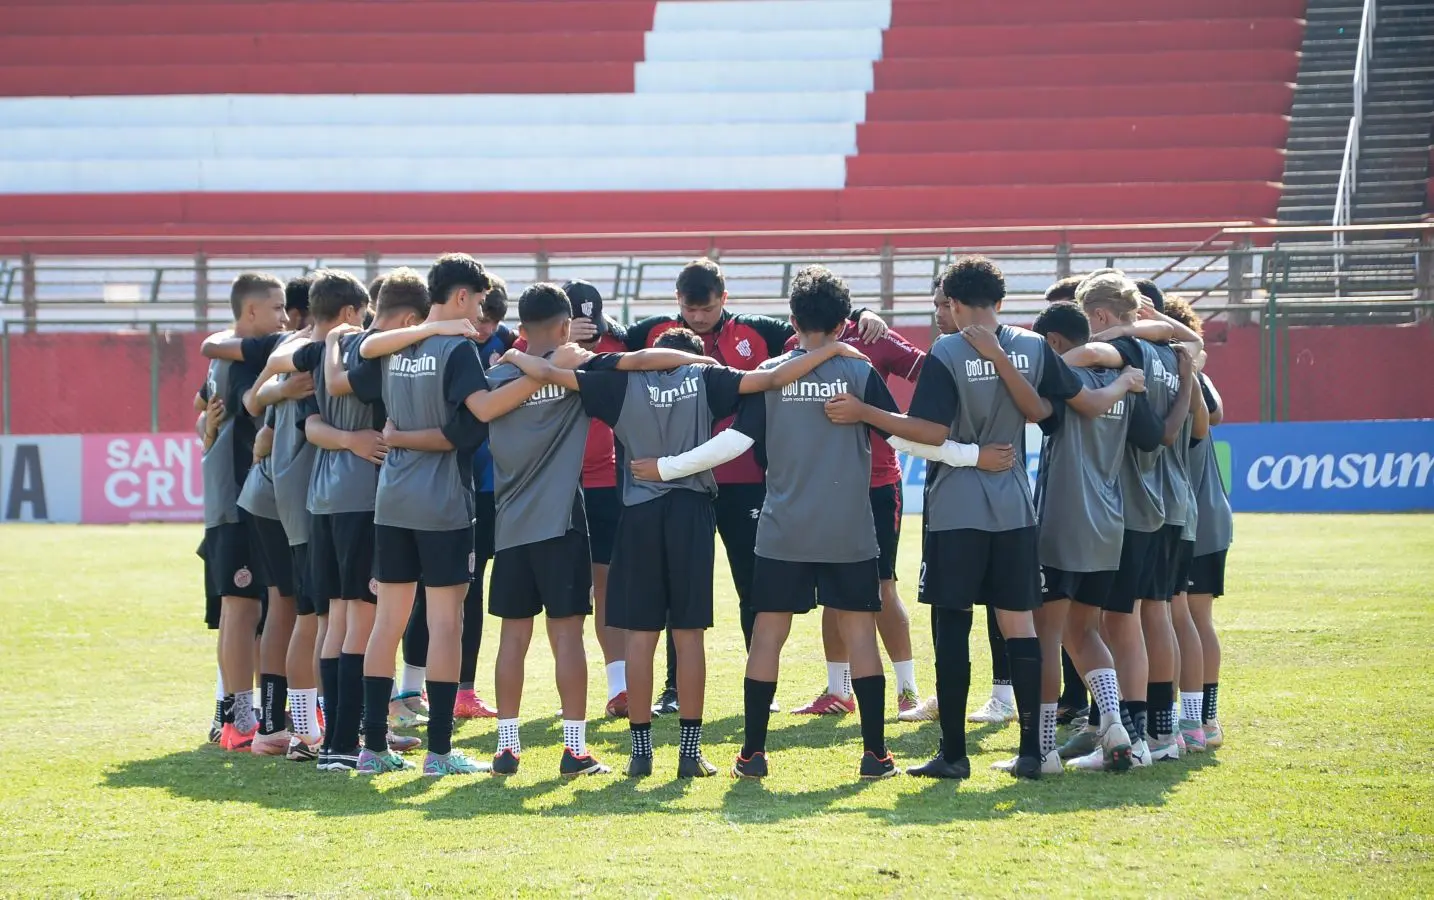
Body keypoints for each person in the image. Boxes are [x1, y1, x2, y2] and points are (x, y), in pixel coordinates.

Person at [824, 256, 1118, 781]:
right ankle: (1034, 751)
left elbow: (930, 432)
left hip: (957, 507)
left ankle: (954, 755)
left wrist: (867, 412)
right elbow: (1054, 412)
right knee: (1019, 625)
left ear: (955, 304)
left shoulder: (949, 350)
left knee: (952, 625)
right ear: (1000, 302)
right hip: (1013, 507)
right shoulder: (1031, 346)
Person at [639, 266, 906, 780]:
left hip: (782, 525)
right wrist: (969, 453)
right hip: (847, 526)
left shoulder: (773, 372)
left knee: (767, 635)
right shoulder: (859, 371)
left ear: (792, 318)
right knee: (860, 635)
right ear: (844, 322)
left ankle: (752, 755)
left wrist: (667, 467)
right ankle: (875, 755)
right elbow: (905, 436)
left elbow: (735, 443)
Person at [352, 254, 528, 777]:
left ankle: (372, 747)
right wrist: (536, 374)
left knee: (388, 623)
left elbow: (361, 363)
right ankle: (440, 752)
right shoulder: (457, 349)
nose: (479, 311)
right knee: (446, 622)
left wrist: (399, 438)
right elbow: (474, 423)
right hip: (444, 503)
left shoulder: (396, 346)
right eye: (476, 300)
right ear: (460, 296)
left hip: (392, 501)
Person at [1057, 271, 1200, 768]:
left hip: (1132, 505)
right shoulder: (1166, 354)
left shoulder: (1128, 351)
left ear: (1098, 315)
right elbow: (1190, 343)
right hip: (1167, 503)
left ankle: (1133, 739)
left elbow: (1098, 356)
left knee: (1120, 623)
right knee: (1151, 616)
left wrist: (1053, 365)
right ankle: (1163, 734)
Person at [301, 268, 429, 771]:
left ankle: (337, 738)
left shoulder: (326, 346)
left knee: (336, 620)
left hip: (323, 498)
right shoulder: (378, 352)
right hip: (362, 496)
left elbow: (310, 414)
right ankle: (349, 739)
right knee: (364, 623)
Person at [1029, 300, 1161, 773]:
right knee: (1083, 630)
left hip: (1064, 522)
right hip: (1109, 525)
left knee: (1046, 637)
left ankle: (1042, 751)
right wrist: (1126, 379)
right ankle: (1116, 723)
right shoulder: (1124, 384)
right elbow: (1148, 436)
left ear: (1055, 343)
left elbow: (1043, 395)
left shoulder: (1067, 379)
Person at [778, 319, 933, 720]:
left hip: (877, 483)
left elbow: (930, 372)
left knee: (883, 587)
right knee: (834, 586)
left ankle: (907, 690)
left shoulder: (873, 337)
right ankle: (838, 690)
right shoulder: (793, 345)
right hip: (825, 486)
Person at [198, 273, 287, 751]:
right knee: (242, 607)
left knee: (242, 609)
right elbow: (232, 408)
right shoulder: (245, 357)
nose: (283, 316)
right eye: (275, 308)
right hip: (237, 500)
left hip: (230, 500)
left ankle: (231, 714)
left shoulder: (225, 353)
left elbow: (201, 410)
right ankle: (237, 716)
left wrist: (205, 426)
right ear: (250, 311)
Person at [1186, 353, 1231, 750]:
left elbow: (1213, 414)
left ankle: (1204, 718)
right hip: (1197, 518)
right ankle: (1195, 718)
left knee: (1193, 619)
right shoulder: (1193, 373)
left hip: (1197, 521)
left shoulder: (1190, 376)